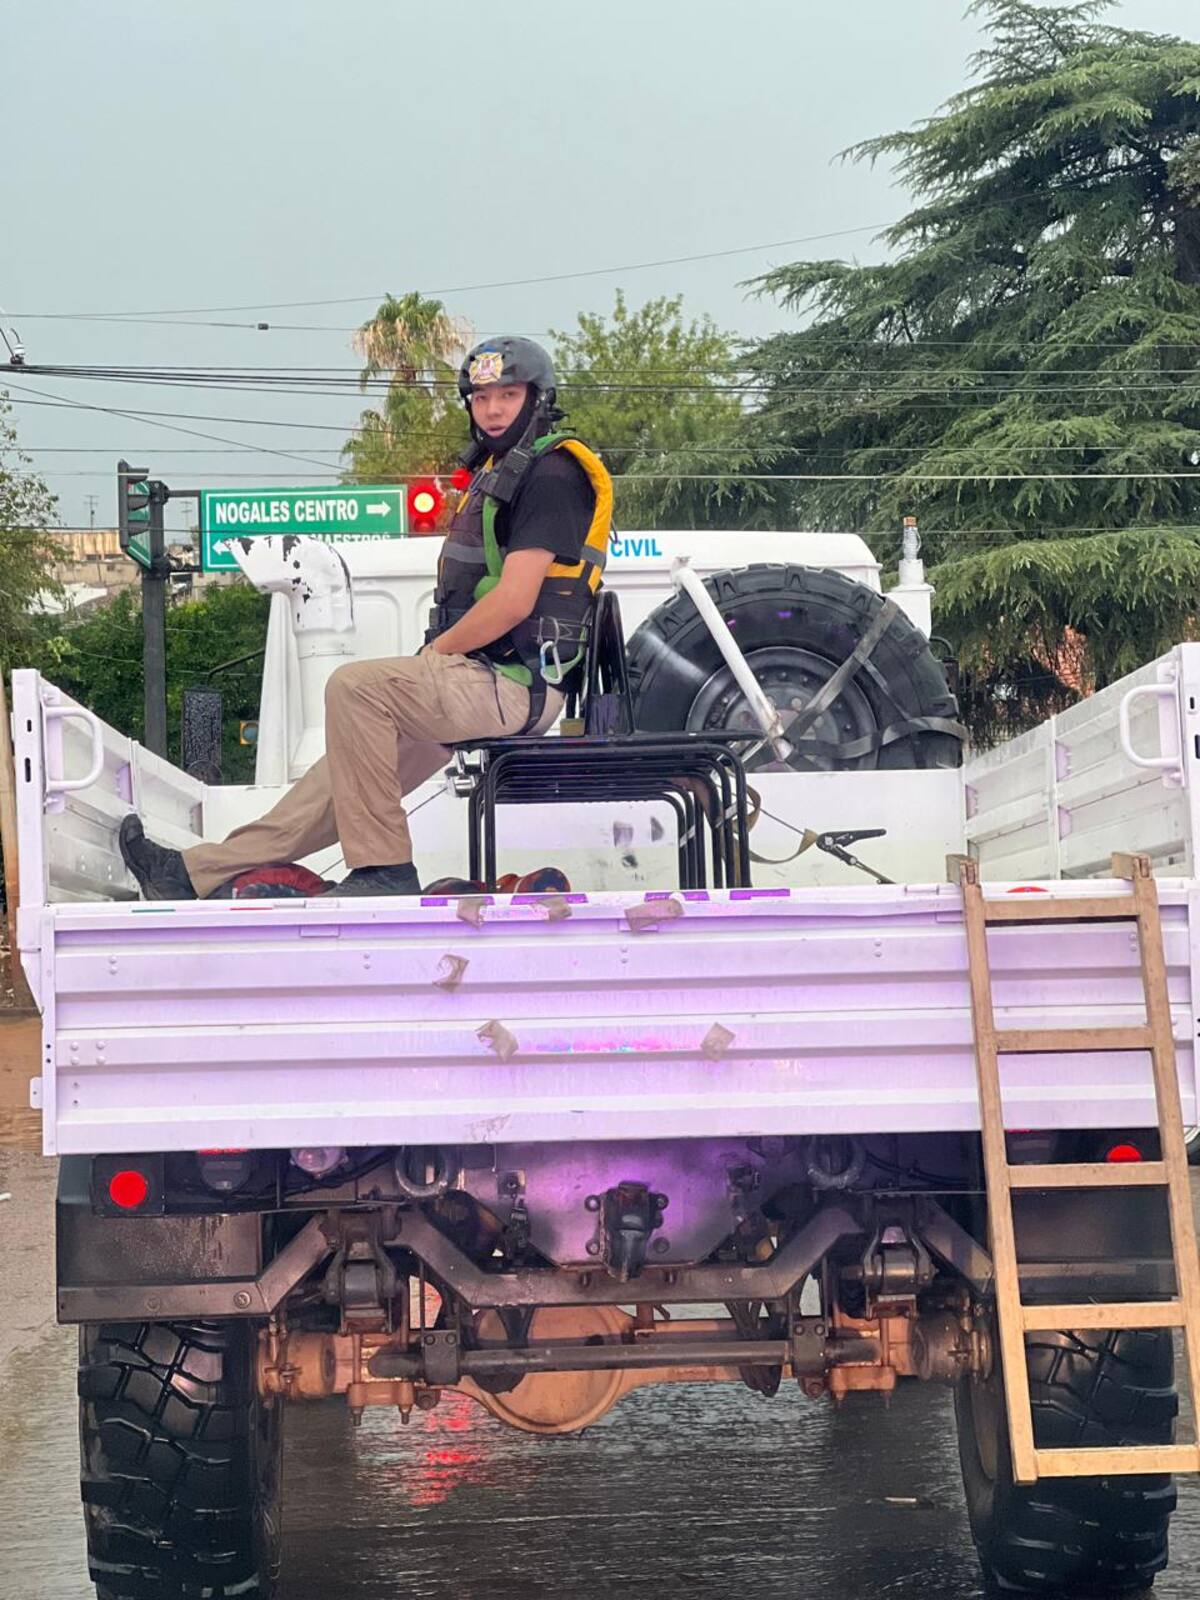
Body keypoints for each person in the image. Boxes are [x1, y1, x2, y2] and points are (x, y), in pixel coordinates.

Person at [119, 336, 613, 900]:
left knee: (355, 688)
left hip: (515, 685)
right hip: (484, 678)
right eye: (481, 398)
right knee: (333, 783)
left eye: (508, 395)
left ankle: (385, 870)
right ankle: (189, 874)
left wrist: (438, 650)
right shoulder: (507, 469)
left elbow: (515, 601)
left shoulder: (552, 474)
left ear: (537, 398)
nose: (493, 409)